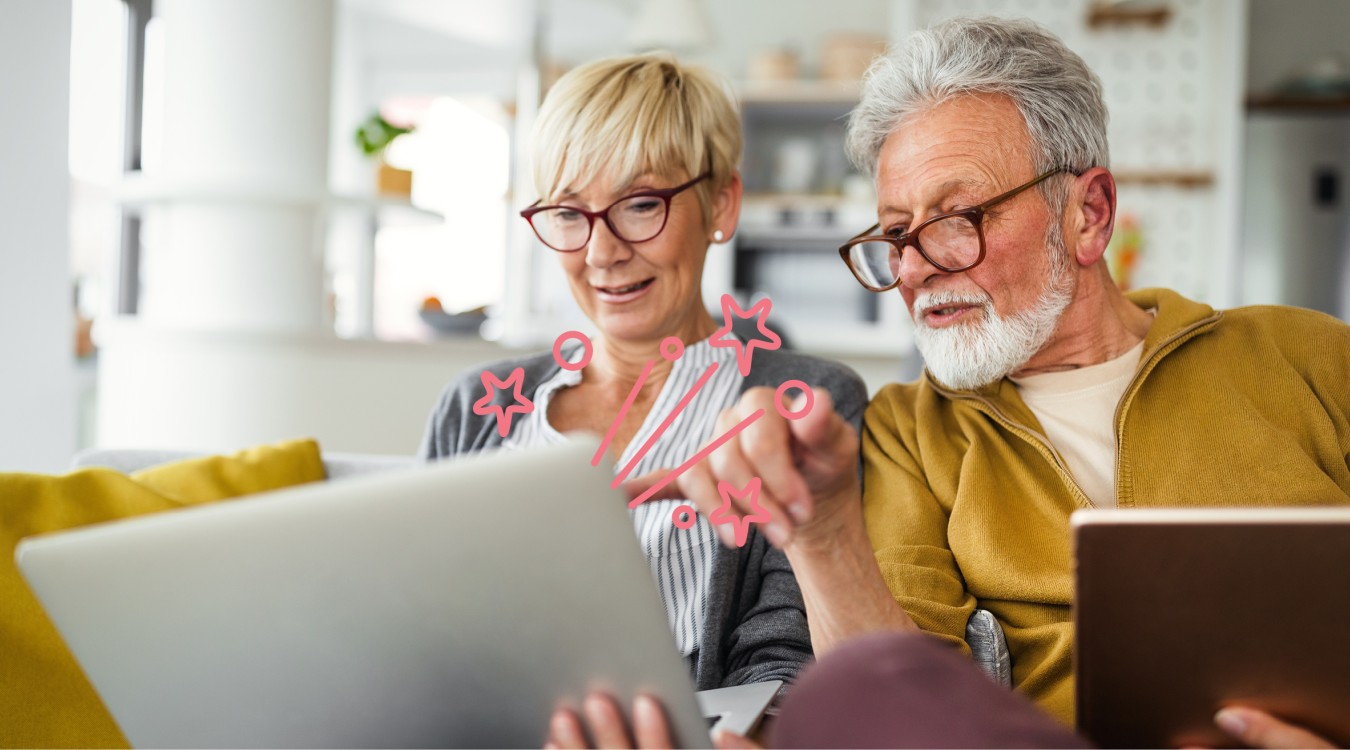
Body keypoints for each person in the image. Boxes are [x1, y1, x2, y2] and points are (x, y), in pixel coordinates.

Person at [549, 17, 1350, 749]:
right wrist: (823, 533)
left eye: (957, 219)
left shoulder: (1305, 357)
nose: (915, 269)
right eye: (896, 234)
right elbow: (891, 706)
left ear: (1089, 213)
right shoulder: (909, 432)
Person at [419, 54, 867, 694]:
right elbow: (415, 627)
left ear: (721, 204)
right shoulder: (473, 409)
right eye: (570, 214)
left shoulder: (808, 405)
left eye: (640, 204)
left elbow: (784, 669)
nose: (601, 252)